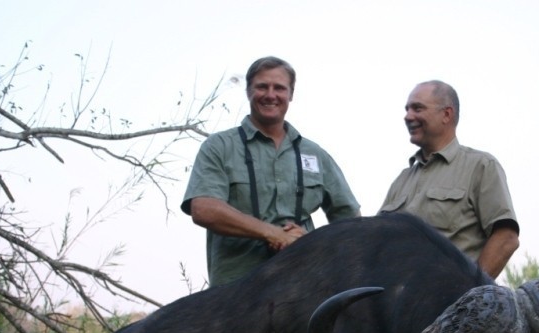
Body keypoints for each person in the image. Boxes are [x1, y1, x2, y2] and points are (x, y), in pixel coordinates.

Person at [182, 56, 361, 285]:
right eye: (262, 87)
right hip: (235, 294)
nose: (270, 95)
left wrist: (313, 243)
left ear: (291, 94)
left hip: (303, 288)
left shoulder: (315, 154)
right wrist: (273, 233)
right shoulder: (219, 146)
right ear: (248, 91)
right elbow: (204, 209)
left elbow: (351, 223)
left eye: (279, 88)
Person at [380, 80, 519, 278]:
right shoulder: (401, 181)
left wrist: (470, 295)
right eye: (407, 109)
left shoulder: (480, 166)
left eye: (418, 108)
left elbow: (506, 238)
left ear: (446, 114)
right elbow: (375, 241)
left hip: (449, 305)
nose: (408, 116)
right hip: (392, 302)